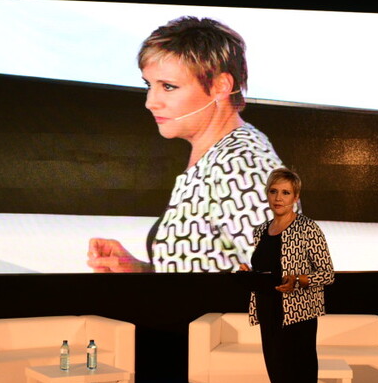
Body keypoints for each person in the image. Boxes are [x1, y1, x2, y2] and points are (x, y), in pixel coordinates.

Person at [87, 16, 283, 273]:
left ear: (220, 86)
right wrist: (140, 270)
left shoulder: (241, 166)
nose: (150, 102)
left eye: (169, 87)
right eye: (149, 85)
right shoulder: (219, 154)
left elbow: (284, 281)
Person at [238, 167, 339, 383]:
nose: (278, 198)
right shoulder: (260, 230)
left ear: (296, 197)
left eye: (285, 192)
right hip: (269, 317)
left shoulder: (307, 228)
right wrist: (250, 275)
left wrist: (299, 280)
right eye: (273, 191)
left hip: (297, 318)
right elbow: (266, 272)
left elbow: (327, 274)